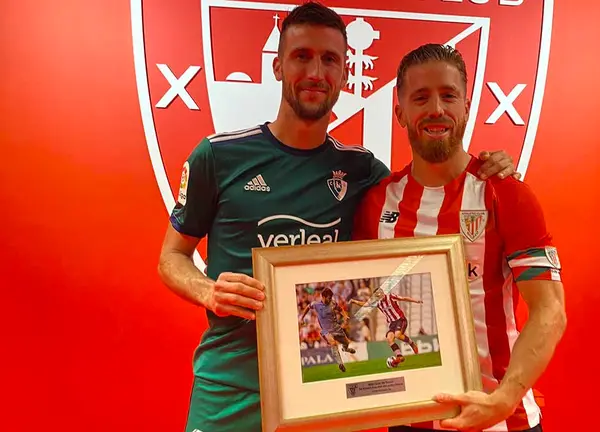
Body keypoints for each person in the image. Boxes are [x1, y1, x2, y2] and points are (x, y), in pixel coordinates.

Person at [156, 2, 520, 431]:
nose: (316, 71)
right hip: (230, 392)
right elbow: (170, 258)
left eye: (330, 59)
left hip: (325, 392)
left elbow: (432, 194)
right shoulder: (218, 156)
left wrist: (490, 168)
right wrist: (207, 290)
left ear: (346, 75)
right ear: (277, 67)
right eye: (302, 56)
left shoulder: (362, 171)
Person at [352, 44, 568, 432]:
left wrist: (504, 399)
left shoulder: (506, 193)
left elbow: (550, 311)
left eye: (448, 95)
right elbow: (363, 310)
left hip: (502, 419)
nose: (436, 109)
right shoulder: (375, 202)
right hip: (408, 419)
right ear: (399, 112)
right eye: (421, 97)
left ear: (466, 107)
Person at [350, 289, 423, 365]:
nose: (379, 296)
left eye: (380, 294)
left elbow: (403, 298)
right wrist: (355, 301)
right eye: (377, 296)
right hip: (392, 323)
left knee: (397, 335)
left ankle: (411, 343)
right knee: (389, 339)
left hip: (400, 319)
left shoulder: (391, 297)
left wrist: (416, 301)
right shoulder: (378, 303)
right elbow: (365, 305)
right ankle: (399, 356)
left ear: (382, 293)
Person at [299, 287, 355, 372]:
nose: (330, 299)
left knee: (346, 343)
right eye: (329, 298)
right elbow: (307, 307)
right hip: (326, 330)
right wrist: (302, 318)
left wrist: (345, 316)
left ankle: (345, 349)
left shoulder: (332, 303)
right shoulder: (316, 304)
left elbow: (340, 309)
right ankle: (340, 363)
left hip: (336, 328)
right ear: (323, 297)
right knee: (333, 343)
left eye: (331, 298)